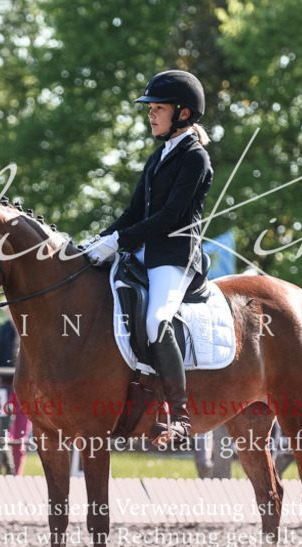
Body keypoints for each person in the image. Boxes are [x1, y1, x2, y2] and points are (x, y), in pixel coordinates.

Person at [83, 70, 213, 449]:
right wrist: (101, 240)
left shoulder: (195, 157)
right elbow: (133, 213)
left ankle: (181, 418)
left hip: (175, 255)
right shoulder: (159, 157)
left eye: (158, 109)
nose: (151, 115)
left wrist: (121, 239)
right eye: (151, 109)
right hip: (142, 251)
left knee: (158, 321)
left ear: (183, 114)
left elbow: (171, 217)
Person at [0, 317, 30, 475]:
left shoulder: (32, 328)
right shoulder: (2, 331)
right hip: (4, 389)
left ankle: (15, 475)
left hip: (25, 390)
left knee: (20, 435)